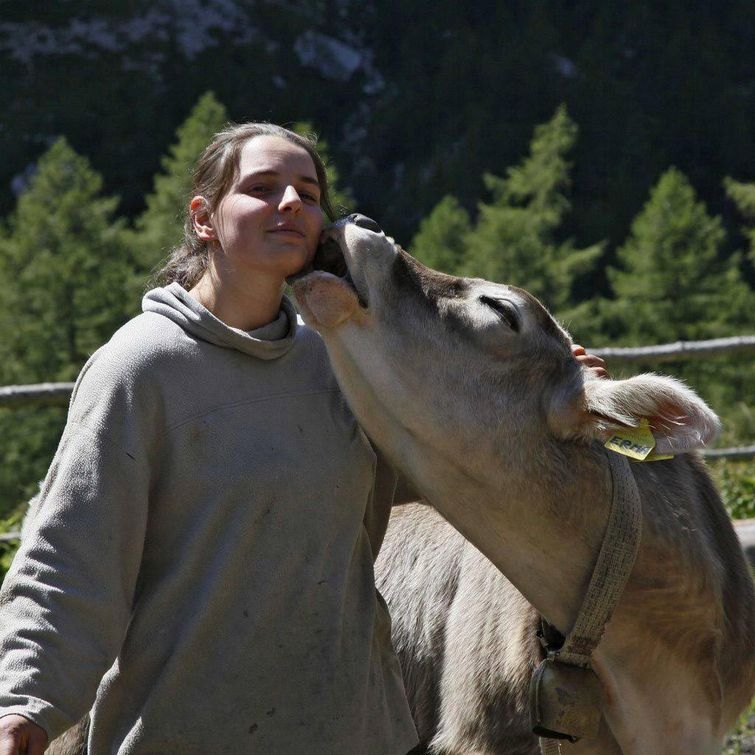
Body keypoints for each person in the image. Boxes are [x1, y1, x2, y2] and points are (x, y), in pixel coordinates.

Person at [0, 122, 606, 754]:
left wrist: (547, 399)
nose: (290, 203)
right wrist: (26, 706)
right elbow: (71, 558)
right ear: (204, 218)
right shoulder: (142, 367)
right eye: (262, 188)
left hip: (349, 731)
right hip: (187, 730)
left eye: (308, 193)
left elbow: (447, 458)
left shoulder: (341, 363)